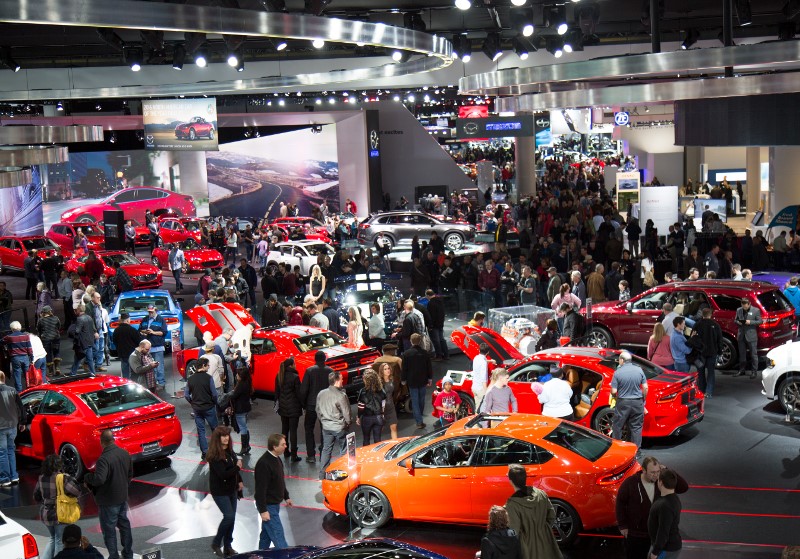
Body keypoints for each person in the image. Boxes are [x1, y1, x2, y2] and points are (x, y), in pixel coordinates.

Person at [616, 457, 689, 559]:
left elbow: (683, 487)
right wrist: (622, 525)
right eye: (652, 472)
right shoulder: (630, 483)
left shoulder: (662, 482)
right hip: (637, 535)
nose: (656, 475)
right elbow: (620, 502)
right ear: (644, 470)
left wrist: (667, 470)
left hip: (655, 536)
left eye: (658, 471)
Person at [83, 430, 133, 559]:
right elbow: (130, 474)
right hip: (122, 497)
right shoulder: (125, 453)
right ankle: (128, 554)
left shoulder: (104, 459)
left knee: (109, 531)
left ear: (102, 442)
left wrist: (88, 477)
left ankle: (114, 556)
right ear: (113, 439)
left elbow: (99, 479)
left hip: (108, 501)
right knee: (124, 526)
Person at [505, 464, 562, 559]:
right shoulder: (541, 494)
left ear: (510, 481)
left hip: (527, 547)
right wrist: (543, 529)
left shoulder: (512, 504)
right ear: (525, 478)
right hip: (546, 542)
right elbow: (551, 516)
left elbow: (514, 530)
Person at [207, 426, 243, 558]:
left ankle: (228, 546)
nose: (226, 438)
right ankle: (216, 543)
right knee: (229, 516)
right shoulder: (214, 456)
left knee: (231, 519)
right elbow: (223, 474)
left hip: (231, 489)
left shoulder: (230, 451)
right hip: (220, 492)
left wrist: (239, 480)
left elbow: (232, 468)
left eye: (227, 435)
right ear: (218, 438)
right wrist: (238, 468)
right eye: (223, 436)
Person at [254, 433, 293, 550]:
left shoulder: (277, 459)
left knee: (266, 536)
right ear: (274, 447)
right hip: (268, 507)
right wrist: (263, 510)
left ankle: (260, 554)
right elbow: (260, 490)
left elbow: (279, 480)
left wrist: (286, 496)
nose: (286, 446)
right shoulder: (264, 463)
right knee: (278, 536)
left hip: (274, 505)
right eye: (283, 444)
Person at [299, 350, 332, 464]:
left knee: (309, 429)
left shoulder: (309, 371)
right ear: (325, 359)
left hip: (311, 405)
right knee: (325, 429)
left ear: (315, 359)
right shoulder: (330, 371)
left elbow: (303, 390)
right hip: (326, 406)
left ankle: (311, 455)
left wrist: (303, 404)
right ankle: (324, 452)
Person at [316, 371, 351, 478]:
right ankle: (342, 472)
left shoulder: (321, 393)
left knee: (326, 449)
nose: (342, 381)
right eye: (341, 379)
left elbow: (317, 410)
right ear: (336, 381)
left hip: (326, 427)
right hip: (339, 427)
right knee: (344, 450)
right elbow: (347, 413)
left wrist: (323, 421)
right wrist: (348, 423)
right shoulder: (341, 395)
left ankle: (322, 474)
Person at [611, 351, 648, 450]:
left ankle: (617, 448)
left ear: (622, 360)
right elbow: (645, 388)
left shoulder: (617, 372)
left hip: (623, 403)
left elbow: (614, 391)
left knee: (617, 426)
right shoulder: (639, 370)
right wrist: (643, 399)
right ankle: (636, 451)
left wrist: (614, 396)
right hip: (637, 402)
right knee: (636, 428)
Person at [185, 356, 219, 460]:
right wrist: (214, 402)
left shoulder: (190, 379)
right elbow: (214, 394)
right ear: (203, 366)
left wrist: (193, 403)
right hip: (209, 407)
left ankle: (204, 452)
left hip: (197, 409)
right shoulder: (208, 378)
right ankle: (217, 450)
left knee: (201, 431)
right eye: (208, 365)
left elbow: (186, 395)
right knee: (215, 429)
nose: (209, 367)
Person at [648, 469, 684, 559]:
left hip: (665, 549)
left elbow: (663, 531)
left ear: (660, 482)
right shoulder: (674, 498)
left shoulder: (665, 506)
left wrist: (655, 552)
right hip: (667, 547)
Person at [401, 333, 432, 429]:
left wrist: (403, 380)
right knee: (421, 400)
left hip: (412, 381)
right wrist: (430, 378)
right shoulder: (425, 353)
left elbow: (404, 368)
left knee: (415, 401)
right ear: (420, 341)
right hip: (423, 380)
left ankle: (419, 421)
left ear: (411, 341)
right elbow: (429, 367)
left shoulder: (406, 354)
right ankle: (420, 416)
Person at [0, 371, 25, 487]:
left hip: (1, 427)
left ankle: (5, 479)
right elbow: (21, 407)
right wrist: (23, 422)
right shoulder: (12, 390)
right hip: (13, 426)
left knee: (2, 453)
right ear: (4, 378)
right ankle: (14, 476)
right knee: (10, 450)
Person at [275, 358, 302, 462]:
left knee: (284, 431)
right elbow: (299, 394)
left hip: (283, 408)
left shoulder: (279, 376)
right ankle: (294, 455)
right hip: (294, 408)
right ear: (291, 365)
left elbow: (276, 394)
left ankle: (285, 451)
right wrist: (303, 405)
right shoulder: (295, 377)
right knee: (293, 432)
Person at [692, 307, 722, 397]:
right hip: (712, 353)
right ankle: (709, 392)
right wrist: (720, 352)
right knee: (711, 372)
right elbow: (719, 340)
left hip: (700, 353)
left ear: (702, 314)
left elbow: (693, 339)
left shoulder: (697, 325)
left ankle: (701, 390)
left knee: (700, 372)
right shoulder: (716, 325)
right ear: (710, 315)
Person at [138, 303, 166, 389]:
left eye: (151, 311)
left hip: (157, 347)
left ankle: (161, 383)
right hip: (147, 348)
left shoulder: (161, 319)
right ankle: (153, 383)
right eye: (149, 312)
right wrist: (144, 332)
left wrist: (153, 332)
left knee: (159, 366)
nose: (150, 313)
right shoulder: (145, 320)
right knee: (150, 367)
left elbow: (163, 332)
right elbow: (140, 330)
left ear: (155, 310)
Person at [356, 368, 386, 445]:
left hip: (367, 418)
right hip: (379, 417)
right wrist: (382, 416)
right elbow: (383, 405)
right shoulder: (381, 390)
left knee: (366, 439)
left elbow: (361, 407)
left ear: (366, 379)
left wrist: (358, 417)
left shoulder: (363, 391)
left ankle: (367, 456)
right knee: (378, 440)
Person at [735, 297, 762, 379]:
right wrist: (738, 322)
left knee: (753, 354)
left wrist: (750, 322)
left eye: (746, 306)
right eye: (743, 306)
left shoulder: (756, 310)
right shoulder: (739, 310)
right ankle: (742, 370)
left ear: (749, 304)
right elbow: (735, 320)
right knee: (742, 354)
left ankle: (754, 371)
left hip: (751, 335)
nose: (744, 308)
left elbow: (760, 321)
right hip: (741, 335)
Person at [230, 363, 253, 456]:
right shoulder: (247, 383)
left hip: (240, 409)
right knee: (244, 427)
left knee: (242, 428)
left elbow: (234, 395)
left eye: (237, 374)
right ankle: (247, 446)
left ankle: (244, 447)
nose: (236, 376)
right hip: (246, 408)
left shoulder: (241, 385)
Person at [3, 322, 33, 391]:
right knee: (27, 376)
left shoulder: (9, 337)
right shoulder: (26, 336)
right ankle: (30, 390)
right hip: (25, 357)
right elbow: (29, 348)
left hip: (15, 358)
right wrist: (32, 358)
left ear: (11, 328)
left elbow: (1, 341)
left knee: (17, 376)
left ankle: (19, 393)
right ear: (19, 327)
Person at [70, 306, 97, 376]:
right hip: (90, 341)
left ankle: (73, 373)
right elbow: (93, 328)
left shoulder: (79, 319)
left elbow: (77, 331)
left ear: (79, 310)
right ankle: (93, 373)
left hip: (83, 343)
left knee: (78, 358)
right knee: (90, 359)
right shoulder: (89, 317)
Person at [112, 313, 140, 380]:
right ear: (127, 320)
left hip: (122, 354)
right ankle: (134, 384)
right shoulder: (132, 330)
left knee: (125, 371)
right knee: (134, 371)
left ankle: (126, 384)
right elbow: (139, 341)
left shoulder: (116, 330)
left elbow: (114, 341)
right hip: (132, 354)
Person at [37, 306, 62, 379]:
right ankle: (57, 368)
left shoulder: (41, 320)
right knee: (56, 352)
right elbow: (59, 326)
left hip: (46, 339)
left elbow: (38, 329)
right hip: (56, 337)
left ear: (43, 312)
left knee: (48, 354)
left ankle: (51, 371)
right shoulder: (56, 318)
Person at [378, 362, 399, 439]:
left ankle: (395, 444)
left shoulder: (391, 380)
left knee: (394, 427)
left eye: (388, 368)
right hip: (382, 409)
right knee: (379, 429)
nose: (388, 370)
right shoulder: (379, 383)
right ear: (382, 371)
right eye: (385, 369)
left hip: (391, 407)